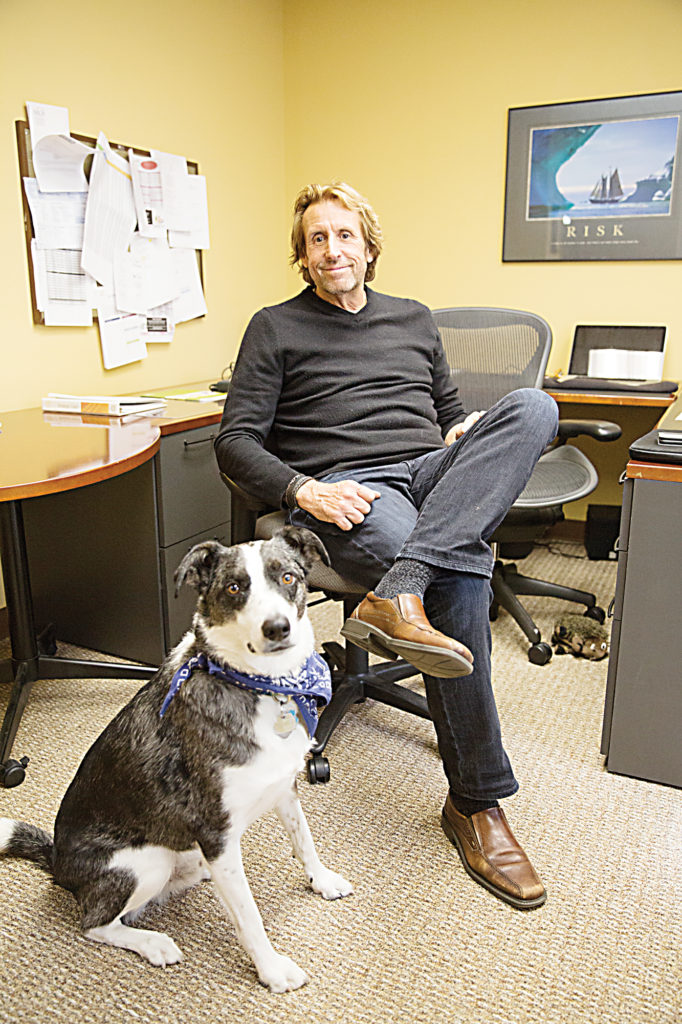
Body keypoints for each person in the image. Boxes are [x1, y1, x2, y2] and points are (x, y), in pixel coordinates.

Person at [214, 182, 559, 910]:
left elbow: (446, 412)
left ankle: (400, 582)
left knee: (534, 406)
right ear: (303, 257)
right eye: (317, 239)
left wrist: (465, 432)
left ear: (368, 245)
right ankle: (476, 802)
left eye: (345, 236)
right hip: (353, 489)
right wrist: (304, 490)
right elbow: (235, 440)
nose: (333, 249)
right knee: (461, 576)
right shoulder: (274, 328)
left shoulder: (413, 317)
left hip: (430, 470)